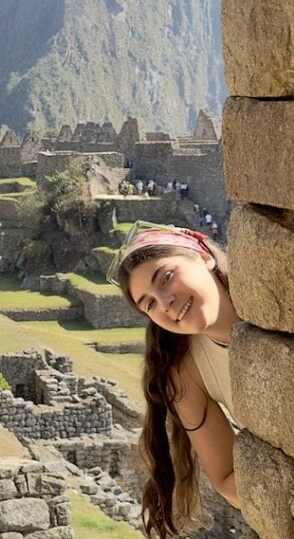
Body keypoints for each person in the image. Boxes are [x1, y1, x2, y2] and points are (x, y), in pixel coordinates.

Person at [108, 222, 241, 538]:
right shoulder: (185, 372)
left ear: (203, 255)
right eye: (150, 304)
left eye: (166, 277)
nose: (165, 302)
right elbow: (225, 478)